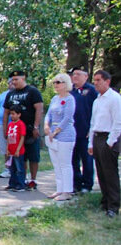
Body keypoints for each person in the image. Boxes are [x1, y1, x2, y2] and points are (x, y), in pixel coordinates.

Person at [88, 70, 121, 218]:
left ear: (107, 81)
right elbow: (93, 122)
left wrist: (110, 141)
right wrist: (90, 142)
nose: (95, 83)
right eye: (94, 80)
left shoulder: (114, 98)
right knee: (101, 172)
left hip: (109, 138)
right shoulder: (97, 100)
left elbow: (118, 121)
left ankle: (114, 206)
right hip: (97, 137)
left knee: (110, 173)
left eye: (98, 80)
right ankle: (105, 201)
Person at [3, 70, 44, 191]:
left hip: (30, 130)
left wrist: (36, 127)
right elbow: (6, 113)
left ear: (23, 78)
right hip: (15, 132)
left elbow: (39, 109)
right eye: (12, 80)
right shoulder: (10, 94)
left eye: (17, 79)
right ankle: (21, 180)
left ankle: (33, 180)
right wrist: (5, 129)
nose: (14, 82)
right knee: (20, 157)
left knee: (33, 156)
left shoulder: (32, 91)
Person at [44, 73, 76, 201]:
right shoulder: (54, 99)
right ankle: (59, 189)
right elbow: (48, 114)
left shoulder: (69, 99)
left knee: (65, 163)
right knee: (56, 163)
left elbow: (67, 117)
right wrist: (46, 125)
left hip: (65, 133)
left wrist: (56, 131)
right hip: (52, 134)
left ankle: (67, 191)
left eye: (59, 82)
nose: (56, 85)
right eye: (55, 82)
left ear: (65, 84)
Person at [69, 65, 97, 194]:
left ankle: (87, 184)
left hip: (85, 131)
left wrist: (92, 129)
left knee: (87, 159)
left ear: (86, 76)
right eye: (74, 74)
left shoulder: (91, 90)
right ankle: (76, 183)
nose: (75, 77)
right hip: (71, 132)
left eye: (78, 74)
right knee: (73, 159)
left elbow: (96, 111)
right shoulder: (70, 91)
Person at [0, 78, 15, 178]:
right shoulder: (2, 95)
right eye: (8, 82)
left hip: (14, 124)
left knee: (13, 147)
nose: (10, 84)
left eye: (12, 82)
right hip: (1, 124)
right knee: (4, 148)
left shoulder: (18, 94)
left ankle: (15, 169)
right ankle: (7, 168)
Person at [5, 104, 26, 192]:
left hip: (18, 151)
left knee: (19, 169)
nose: (11, 115)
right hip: (11, 150)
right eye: (11, 113)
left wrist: (18, 149)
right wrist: (7, 149)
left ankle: (21, 185)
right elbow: (8, 137)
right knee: (12, 168)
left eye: (13, 114)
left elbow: (22, 137)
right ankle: (12, 184)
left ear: (19, 114)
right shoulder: (10, 124)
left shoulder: (21, 124)